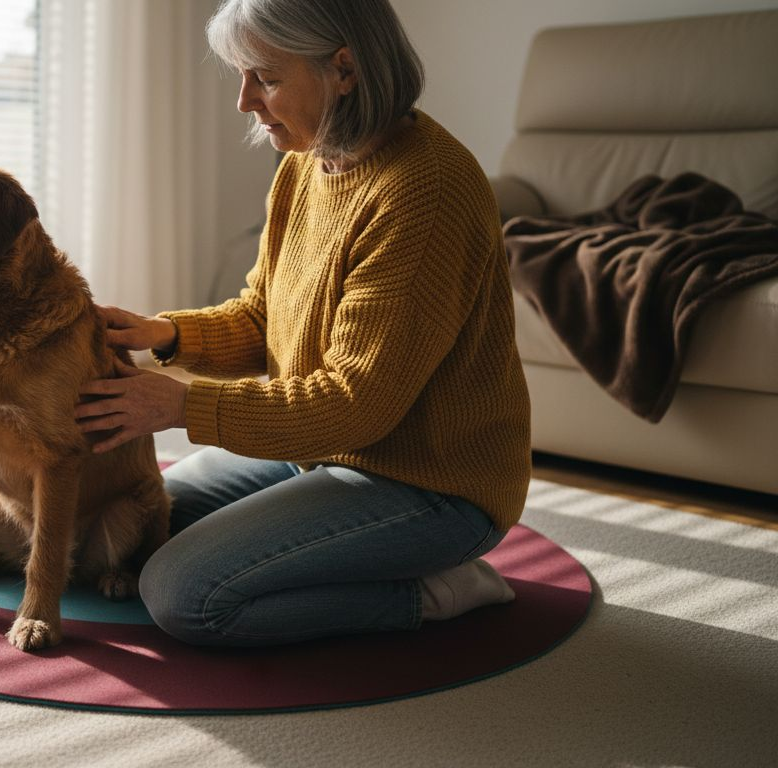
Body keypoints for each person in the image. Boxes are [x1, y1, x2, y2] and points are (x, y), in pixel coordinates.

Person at [72, 0, 531, 647]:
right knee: (130, 525)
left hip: (430, 485)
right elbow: (264, 315)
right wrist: (164, 335)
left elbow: (356, 404)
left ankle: (434, 591)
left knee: (183, 593)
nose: (244, 102)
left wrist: (182, 405)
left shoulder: (424, 191)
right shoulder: (304, 164)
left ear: (343, 69)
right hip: (315, 453)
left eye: (264, 77)